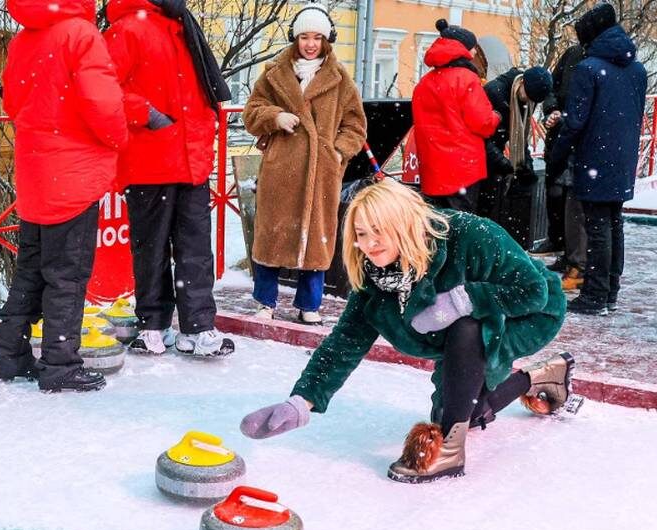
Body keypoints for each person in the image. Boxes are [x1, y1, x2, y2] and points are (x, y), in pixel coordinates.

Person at [239, 179, 571, 484]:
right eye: (361, 233)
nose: (368, 244)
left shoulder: (470, 235)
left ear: (403, 223)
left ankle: (450, 452)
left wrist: (461, 300)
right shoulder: (376, 278)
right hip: (460, 331)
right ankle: (540, 377)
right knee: (468, 412)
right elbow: (345, 343)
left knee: (465, 331)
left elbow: (532, 291)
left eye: (378, 231)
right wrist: (301, 401)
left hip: (526, 314)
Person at [0, 0, 127, 391]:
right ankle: (60, 364)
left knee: (31, 270)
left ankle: (8, 354)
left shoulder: (23, 39)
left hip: (36, 172)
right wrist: (118, 138)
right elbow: (102, 104)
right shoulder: (81, 34)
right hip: (74, 172)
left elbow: (13, 103)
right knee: (67, 273)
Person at [104, 0, 234, 357]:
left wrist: (205, 127)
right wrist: (148, 114)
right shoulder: (128, 28)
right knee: (153, 249)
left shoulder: (179, 25)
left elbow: (198, 93)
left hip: (191, 159)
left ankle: (198, 327)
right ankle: (153, 326)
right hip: (150, 159)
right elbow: (101, 87)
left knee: (195, 249)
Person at [242, 3, 366, 325]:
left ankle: (309, 305)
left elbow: (355, 126)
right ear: (295, 39)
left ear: (326, 40)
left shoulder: (340, 81)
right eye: (304, 37)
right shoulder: (273, 74)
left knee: (317, 239)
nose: (310, 44)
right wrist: (274, 116)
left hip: (320, 172)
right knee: (272, 235)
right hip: (280, 169)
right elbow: (251, 112)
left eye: (317, 38)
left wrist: (338, 152)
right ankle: (265, 301)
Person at [548, 3, 648, 316]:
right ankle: (610, 291)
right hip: (623, 156)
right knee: (614, 223)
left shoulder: (588, 69)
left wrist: (556, 159)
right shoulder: (637, 69)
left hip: (594, 157)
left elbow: (575, 122)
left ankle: (594, 294)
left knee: (597, 227)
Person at [411, 19, 500, 213]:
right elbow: (483, 123)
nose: (475, 52)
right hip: (462, 171)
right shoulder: (466, 79)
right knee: (462, 227)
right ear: (463, 49)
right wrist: (496, 116)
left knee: (437, 224)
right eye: (473, 48)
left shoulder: (424, 84)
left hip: (432, 171)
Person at [476, 66, 553, 227]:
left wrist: (525, 166)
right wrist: (503, 163)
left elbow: (519, 136)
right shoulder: (495, 92)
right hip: (479, 157)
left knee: (490, 206)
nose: (528, 101)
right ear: (522, 82)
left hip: (492, 156)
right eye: (528, 96)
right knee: (480, 207)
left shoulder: (523, 98)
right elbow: (480, 137)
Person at [541, 40, 588, 291]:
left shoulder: (599, 62)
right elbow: (551, 86)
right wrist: (553, 109)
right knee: (557, 196)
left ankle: (577, 261)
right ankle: (563, 248)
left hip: (580, 142)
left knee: (576, 204)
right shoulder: (572, 54)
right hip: (560, 137)